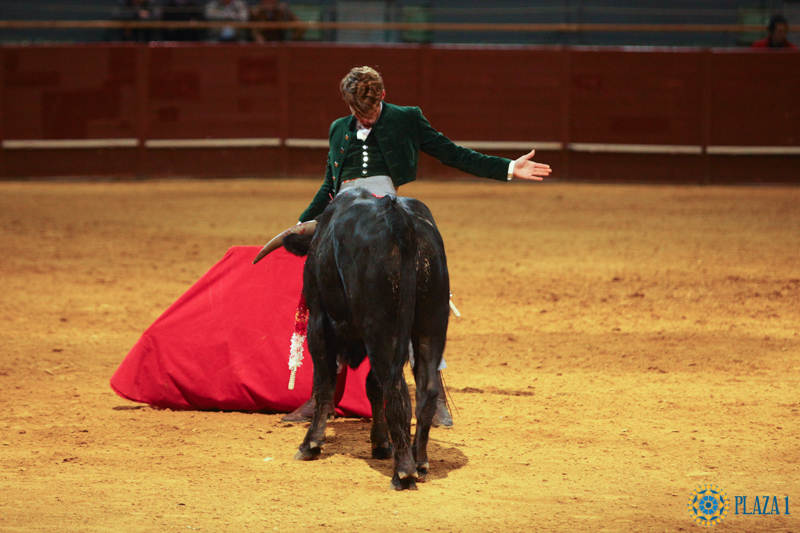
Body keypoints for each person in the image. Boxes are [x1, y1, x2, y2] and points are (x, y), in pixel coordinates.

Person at [281, 66, 552, 424]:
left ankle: (431, 391)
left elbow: (450, 152)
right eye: (360, 112)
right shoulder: (337, 129)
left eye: (372, 108)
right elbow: (330, 184)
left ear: (383, 95)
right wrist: (304, 220)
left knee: (416, 293)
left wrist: (506, 168)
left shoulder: (407, 118)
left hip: (383, 205)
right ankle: (322, 396)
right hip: (340, 211)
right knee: (324, 299)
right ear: (348, 106)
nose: (367, 116)